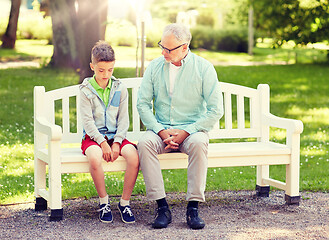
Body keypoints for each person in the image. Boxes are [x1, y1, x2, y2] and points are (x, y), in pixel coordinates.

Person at [137, 23, 224, 229]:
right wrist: (160, 130)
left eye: (168, 49)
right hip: (161, 129)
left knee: (199, 143)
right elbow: (142, 103)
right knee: (144, 143)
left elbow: (215, 110)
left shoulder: (204, 68)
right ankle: (162, 207)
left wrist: (187, 132)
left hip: (191, 129)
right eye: (162, 46)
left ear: (184, 47)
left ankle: (193, 208)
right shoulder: (155, 66)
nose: (163, 52)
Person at [80, 41, 139, 224]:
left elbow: (123, 119)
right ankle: (104, 202)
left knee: (134, 157)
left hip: (116, 137)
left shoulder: (120, 88)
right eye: (101, 70)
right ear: (92, 67)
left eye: (110, 70)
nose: (106, 75)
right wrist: (103, 142)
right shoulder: (85, 91)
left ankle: (124, 203)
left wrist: (117, 142)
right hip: (93, 138)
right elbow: (88, 122)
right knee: (95, 158)